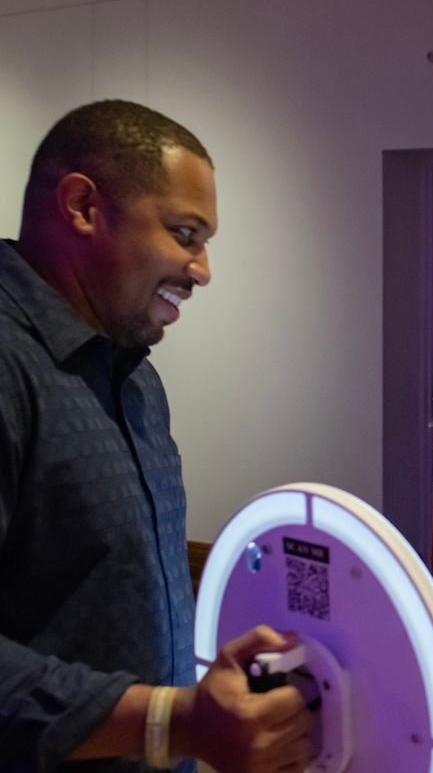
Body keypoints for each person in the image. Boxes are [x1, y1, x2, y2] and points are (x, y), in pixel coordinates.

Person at [0, 101, 311, 772]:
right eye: (184, 233)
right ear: (82, 206)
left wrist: (198, 720)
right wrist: (171, 721)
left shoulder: (134, 377)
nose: (202, 270)